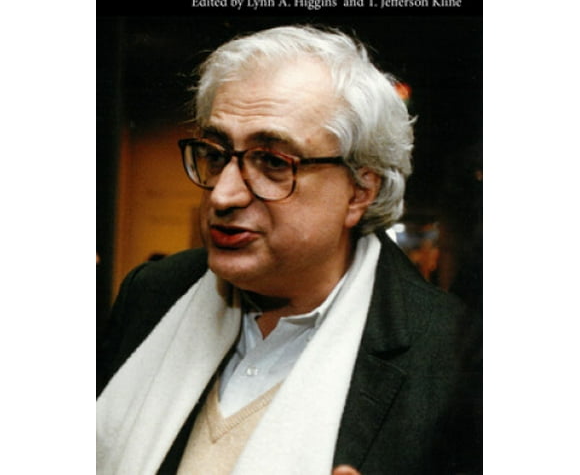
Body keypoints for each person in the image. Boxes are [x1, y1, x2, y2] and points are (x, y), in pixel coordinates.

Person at [97, 25, 482, 474]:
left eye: (273, 162)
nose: (222, 194)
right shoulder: (155, 293)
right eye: (216, 154)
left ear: (360, 191)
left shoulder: (453, 359)